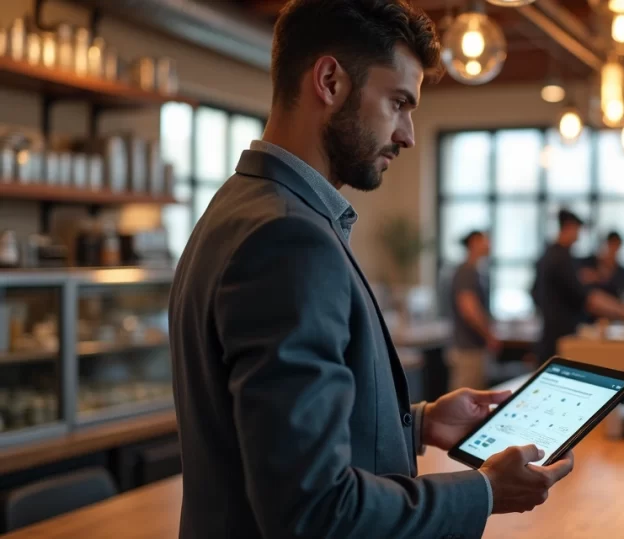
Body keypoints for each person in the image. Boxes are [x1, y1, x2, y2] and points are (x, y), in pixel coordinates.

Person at [168, 2, 573, 537]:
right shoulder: (288, 238)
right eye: (398, 102)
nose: (407, 133)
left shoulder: (241, 205)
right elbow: (313, 511)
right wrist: (485, 492)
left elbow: (271, 446)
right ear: (331, 80)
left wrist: (420, 423)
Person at [532, 209, 624, 362]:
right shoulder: (561, 259)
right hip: (560, 336)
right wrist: (623, 311)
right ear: (569, 227)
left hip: (554, 332)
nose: (578, 236)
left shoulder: (553, 255)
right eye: (577, 230)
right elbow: (587, 298)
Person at [449, 230, 498, 390]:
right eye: (484, 240)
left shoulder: (475, 271)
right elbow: (469, 310)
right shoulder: (466, 272)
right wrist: (489, 335)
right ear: (474, 243)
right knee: (464, 398)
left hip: (473, 347)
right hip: (468, 348)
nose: (489, 244)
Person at [580, 231, 624, 300]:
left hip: (616, 303)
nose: (614, 250)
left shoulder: (620, 270)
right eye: (612, 245)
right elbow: (581, 277)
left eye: (617, 246)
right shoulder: (590, 262)